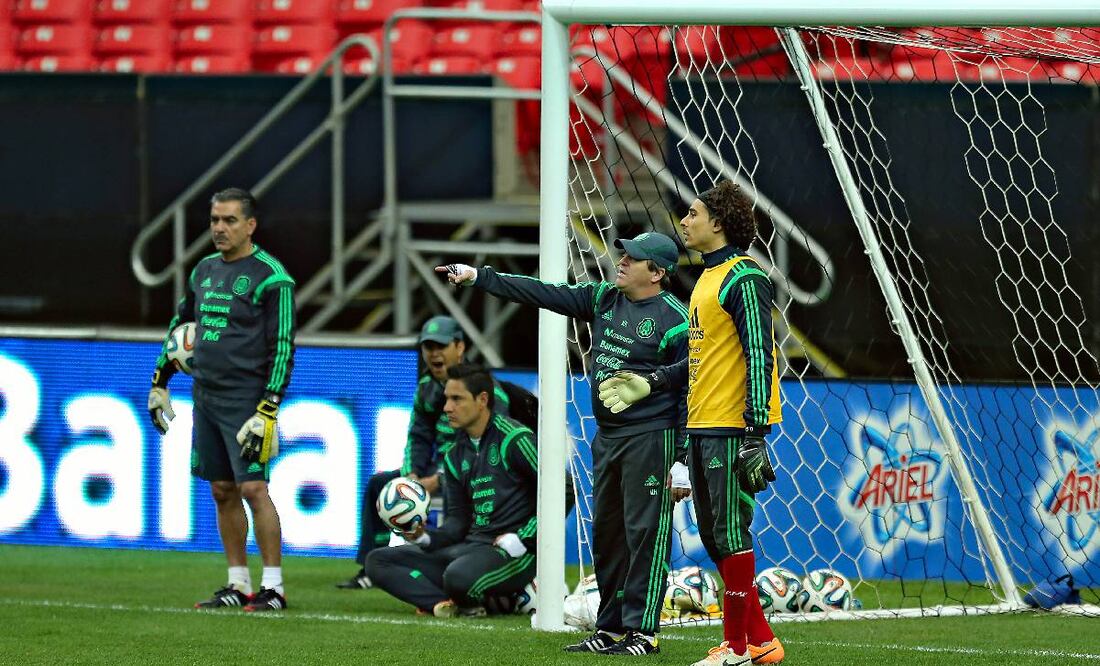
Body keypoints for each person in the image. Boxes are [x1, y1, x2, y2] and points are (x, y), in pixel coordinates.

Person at [437, 231, 690, 656]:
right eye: (624, 252)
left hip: (653, 437)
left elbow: (689, 389)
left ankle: (642, 634)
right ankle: (609, 629)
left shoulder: (675, 320)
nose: (622, 260)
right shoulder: (605, 298)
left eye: (635, 258)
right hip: (607, 437)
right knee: (608, 534)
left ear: (658, 272)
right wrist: (479, 276)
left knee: (644, 534)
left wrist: (680, 459)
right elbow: (542, 292)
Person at [598, 181, 784, 666]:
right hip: (703, 424)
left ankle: (738, 648)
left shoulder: (744, 279)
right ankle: (762, 643)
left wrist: (755, 432)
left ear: (718, 223)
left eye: (694, 213)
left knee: (729, 534)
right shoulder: (705, 278)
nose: (684, 221)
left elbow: (761, 355)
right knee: (713, 534)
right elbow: (702, 360)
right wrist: (653, 381)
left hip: (730, 425)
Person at [147, 187, 295, 612]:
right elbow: (180, 328)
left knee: (253, 487)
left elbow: (283, 345)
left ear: (250, 225)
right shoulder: (203, 272)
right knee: (221, 489)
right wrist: (160, 382)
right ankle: (238, 583)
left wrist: (269, 407)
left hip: (248, 399)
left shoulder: (272, 277)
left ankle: (274, 587)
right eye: (214, 220)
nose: (219, 228)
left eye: (229, 220)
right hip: (206, 395)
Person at [336, 315, 520, 589]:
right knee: (380, 485)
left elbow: (491, 443)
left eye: (440, 346)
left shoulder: (483, 388)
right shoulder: (426, 386)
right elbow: (418, 435)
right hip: (438, 466)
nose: (433, 353)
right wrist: (412, 473)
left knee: (453, 495)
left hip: (478, 471)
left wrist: (441, 479)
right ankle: (369, 567)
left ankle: (450, 563)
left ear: (459, 347)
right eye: (427, 347)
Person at [364, 363, 539, 617]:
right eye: (447, 399)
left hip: (516, 552)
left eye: (456, 399)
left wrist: (523, 538)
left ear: (482, 400)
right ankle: (443, 604)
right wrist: (424, 538)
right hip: (471, 548)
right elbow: (457, 523)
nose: (447, 408)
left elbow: (563, 488)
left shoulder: (514, 438)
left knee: (457, 575)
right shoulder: (455, 455)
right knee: (378, 560)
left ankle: (496, 595)